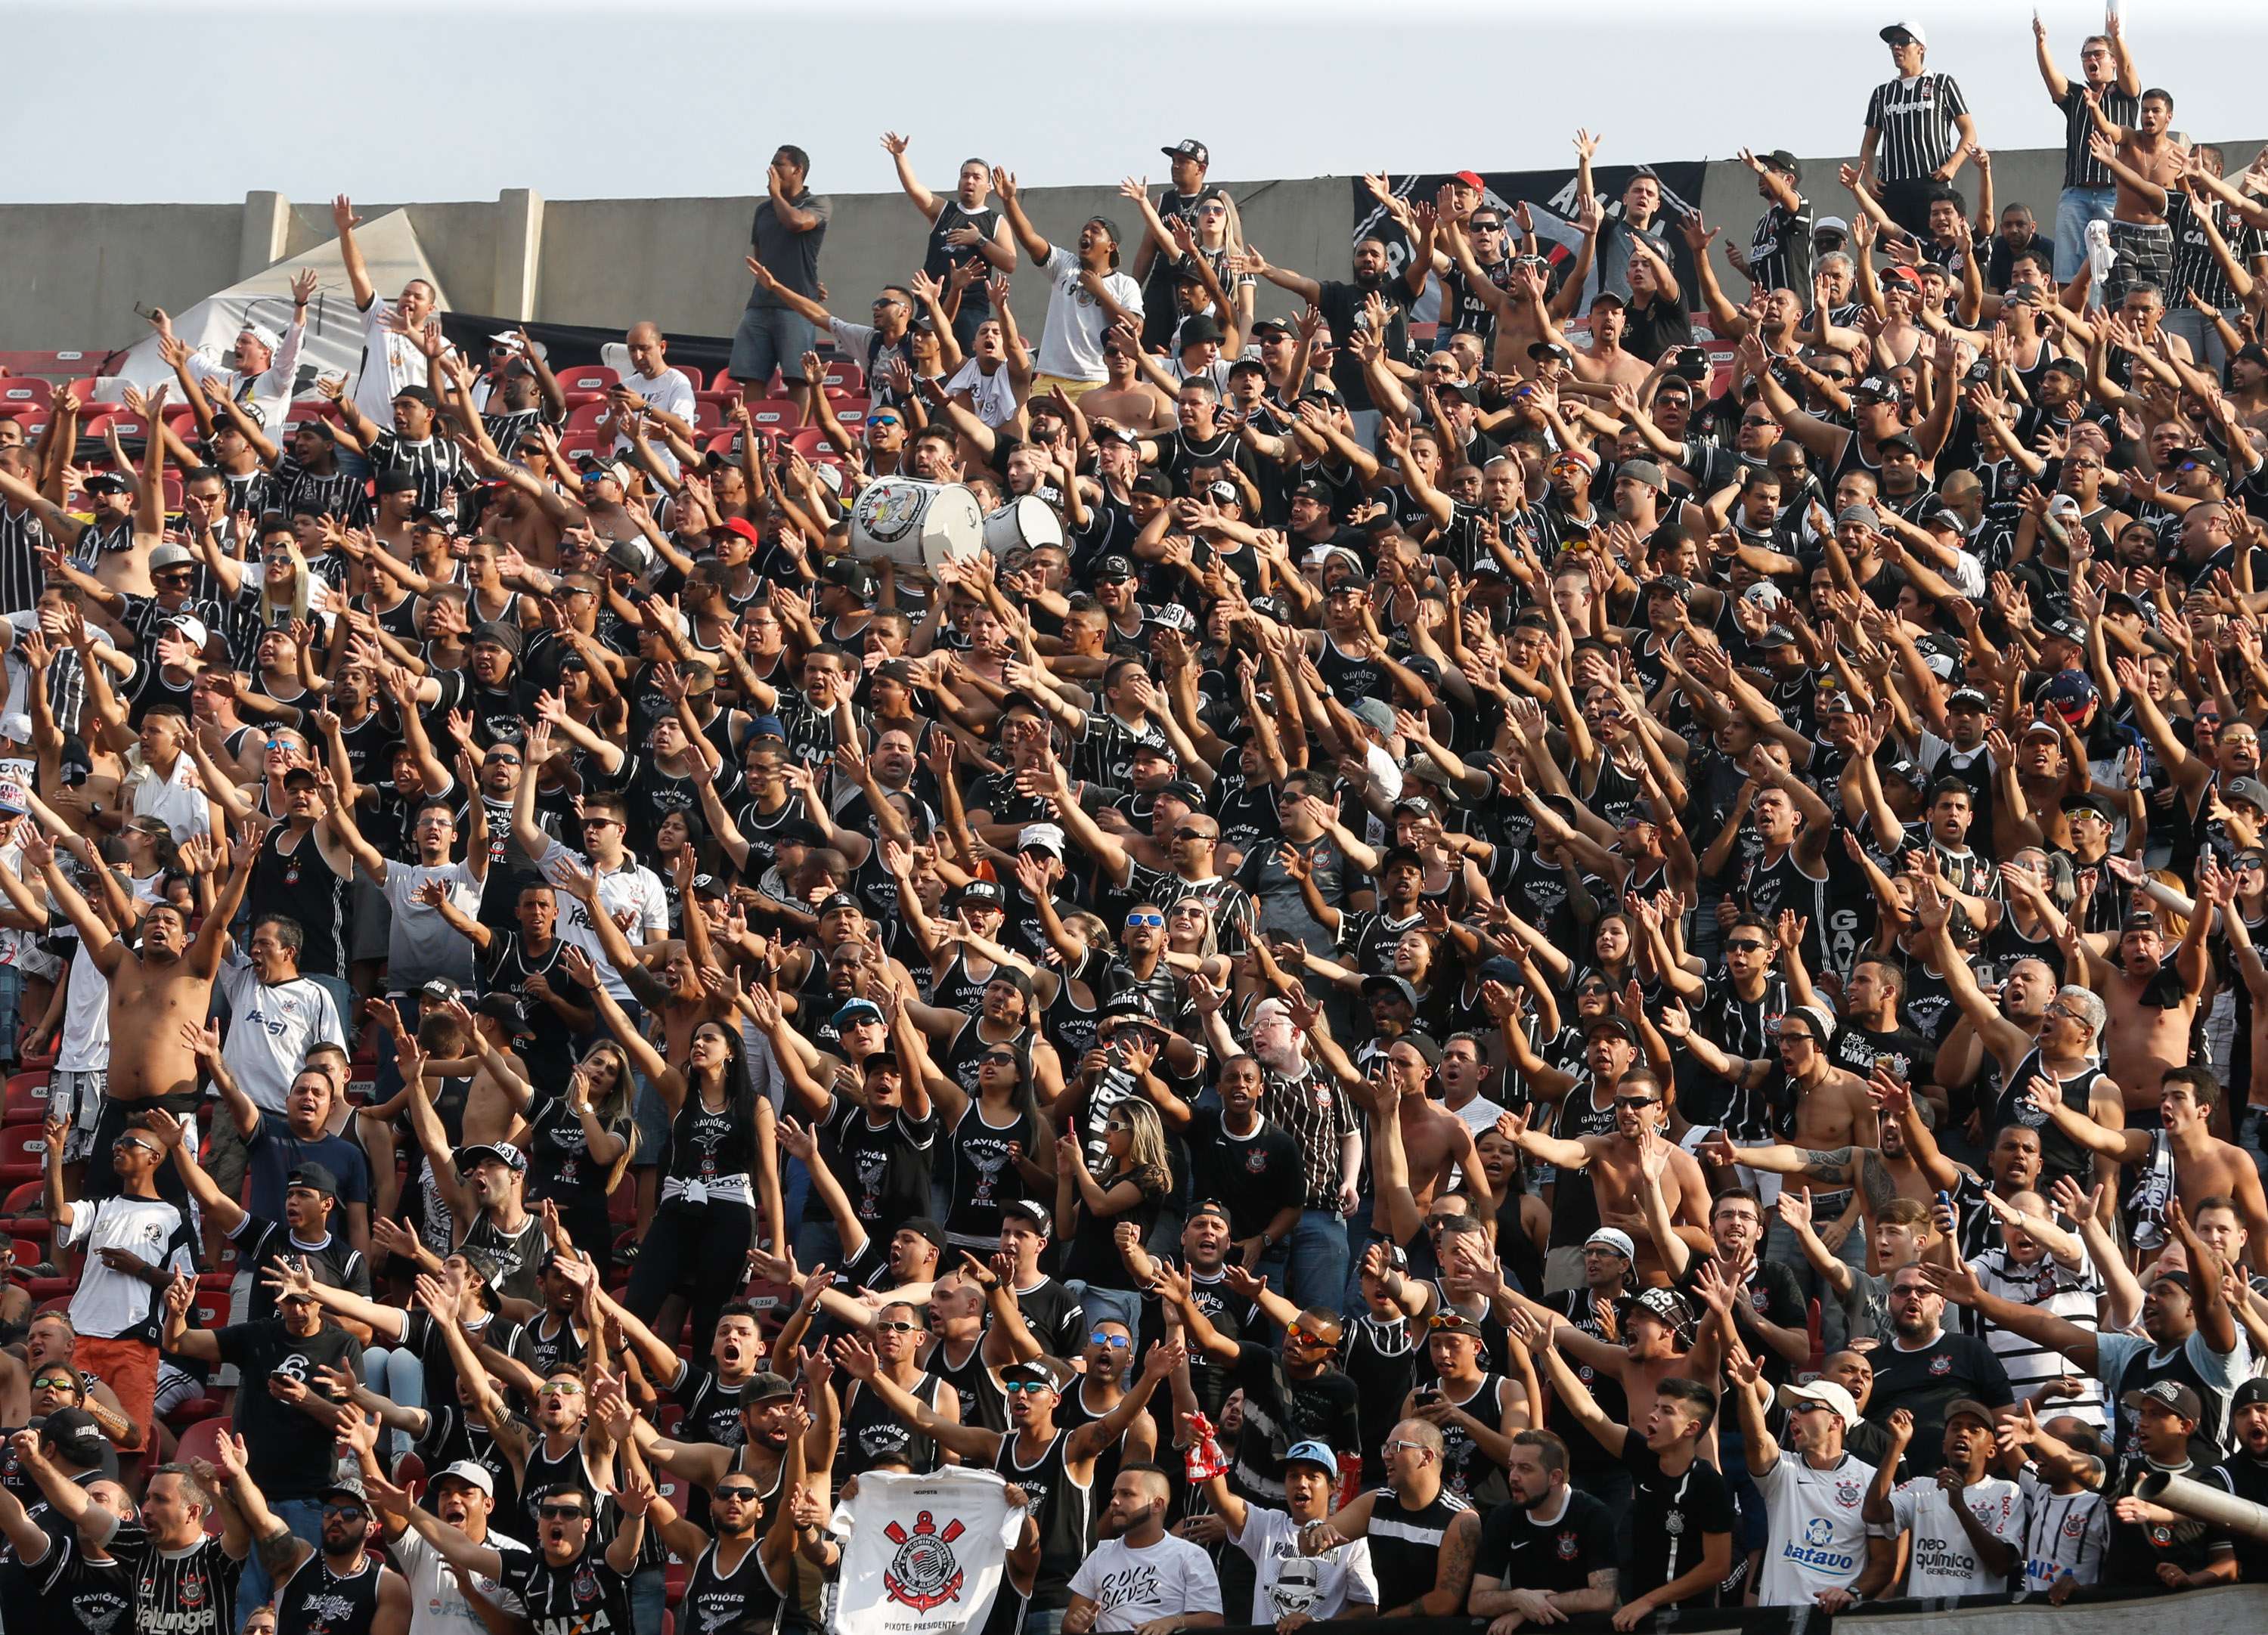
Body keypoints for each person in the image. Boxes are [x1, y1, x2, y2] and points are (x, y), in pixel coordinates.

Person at [1185, 1440, 1377, 1628]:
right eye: (1293, 1476)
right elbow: (1222, 1502)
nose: (1302, 1484)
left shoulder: (1351, 1540)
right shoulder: (1268, 1525)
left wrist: (1316, 1626)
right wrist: (1205, 1447)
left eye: (1312, 1476)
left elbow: (1368, 1610)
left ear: (1333, 1487)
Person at [1062, 1464, 1222, 1634]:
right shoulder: (1100, 1555)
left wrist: (1172, 1623)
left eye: (1127, 1494)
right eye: (1114, 1494)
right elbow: (1069, 1625)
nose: (1114, 1501)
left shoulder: (1190, 1556)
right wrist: (1079, 1627)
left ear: (1157, 1504)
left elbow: (1213, 1621)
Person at [734, 145, 831, 393]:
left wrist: (776, 195)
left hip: (797, 307)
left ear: (798, 170)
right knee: (752, 376)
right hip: (759, 305)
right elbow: (762, 258)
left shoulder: (817, 203)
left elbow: (796, 223)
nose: (772, 170)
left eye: (779, 164)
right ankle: (751, 431)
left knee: (798, 378)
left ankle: (796, 432)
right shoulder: (763, 211)